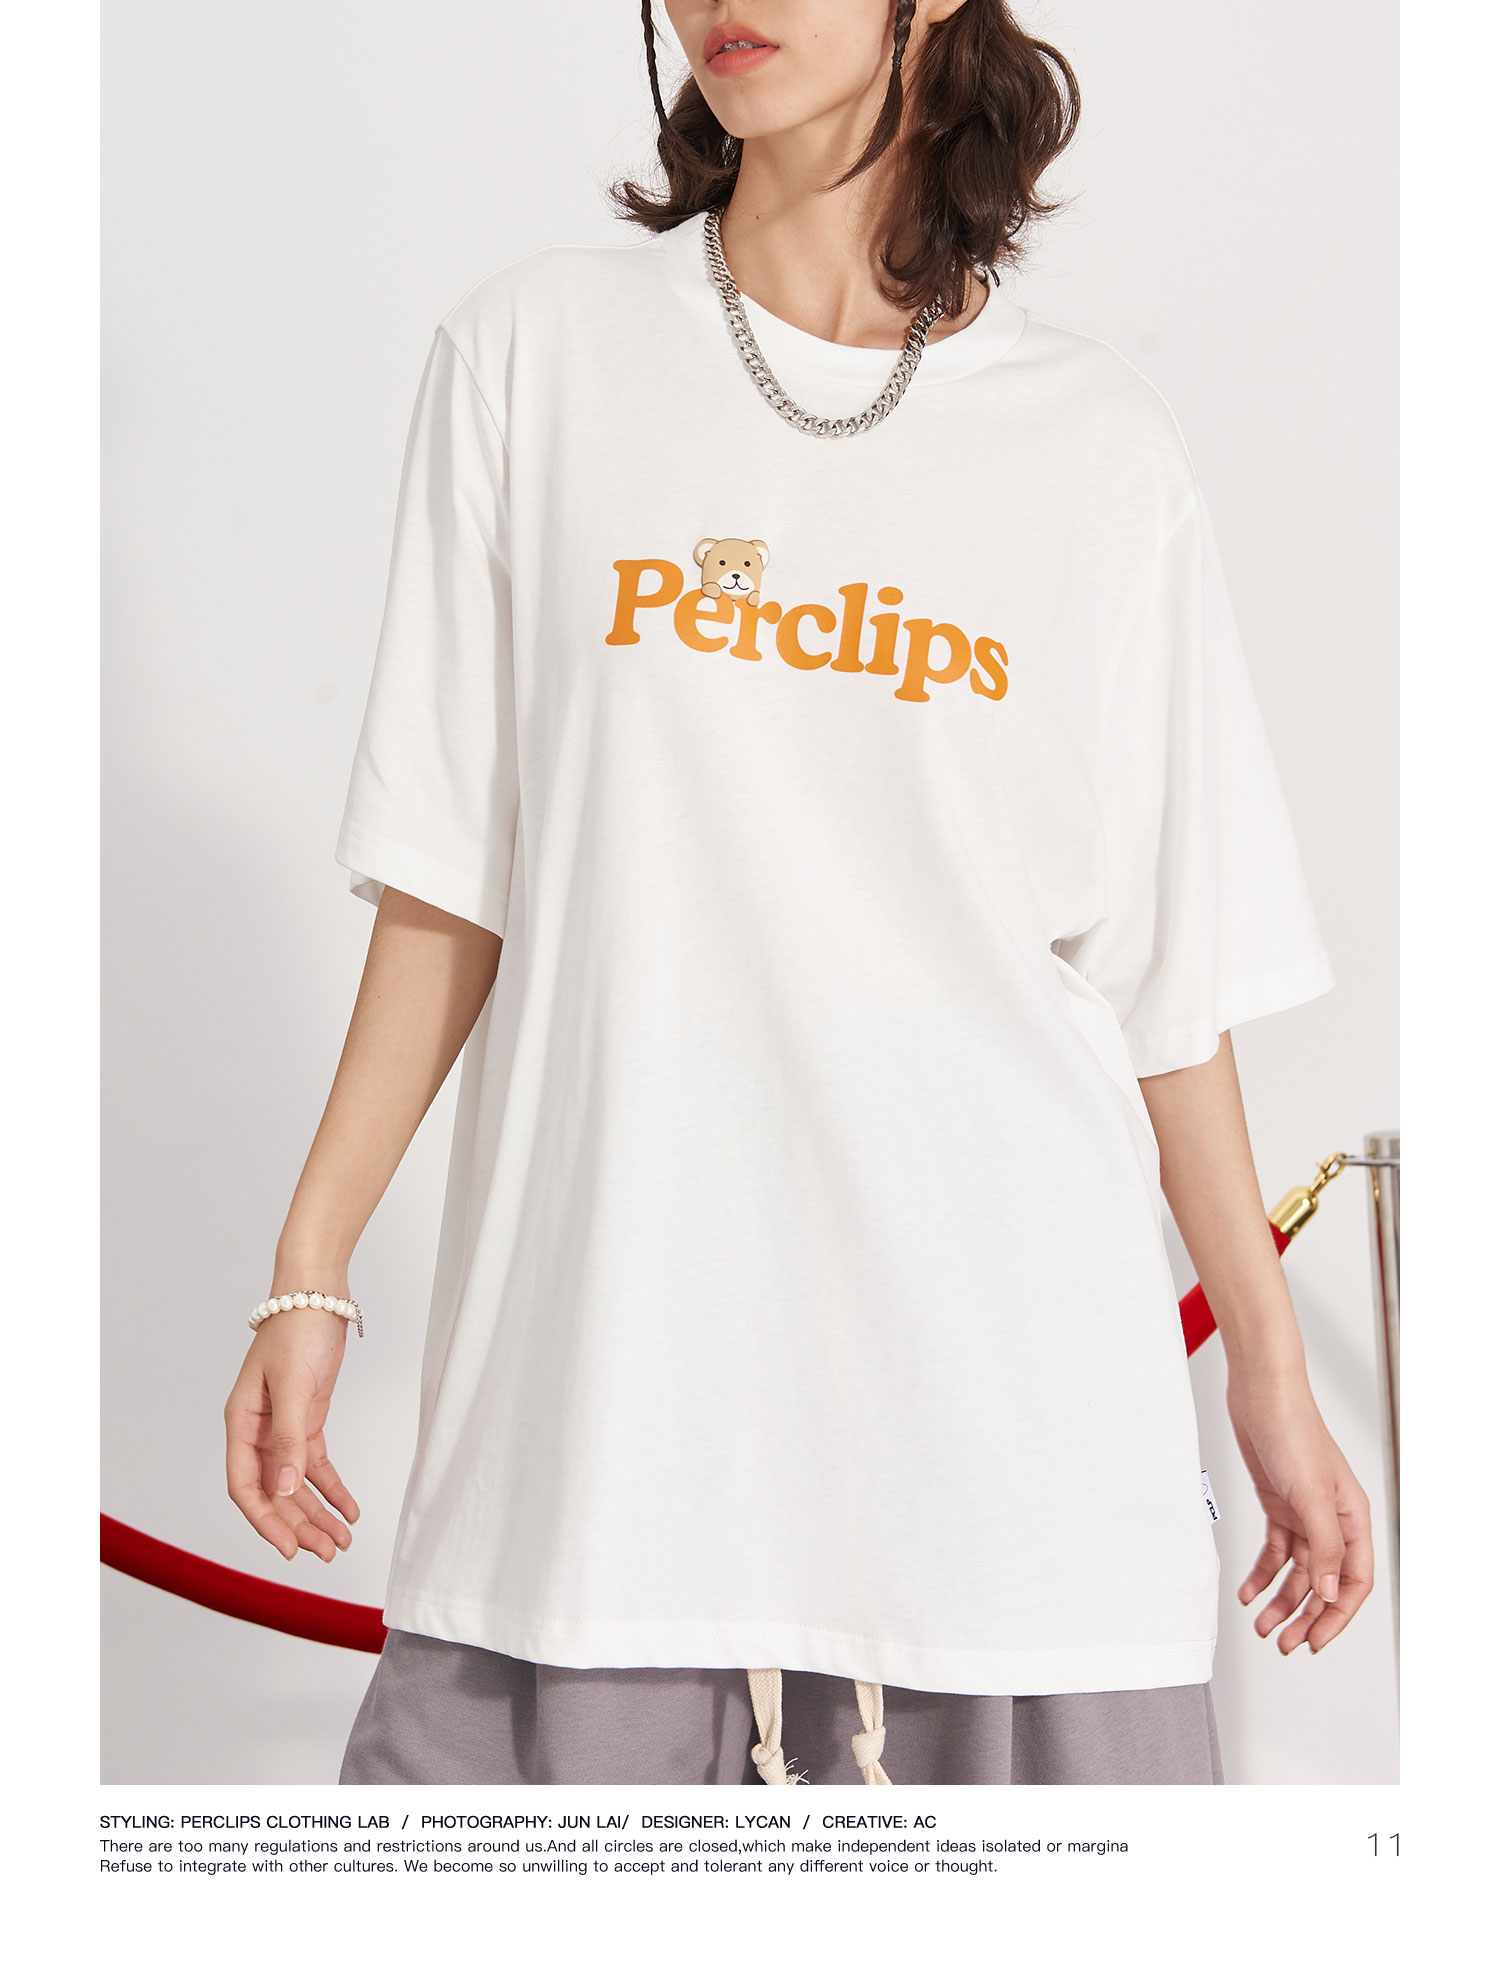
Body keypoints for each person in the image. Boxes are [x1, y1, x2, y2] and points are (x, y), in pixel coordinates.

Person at [223, 0, 1374, 1788]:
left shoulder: (1098, 446)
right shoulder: (535, 355)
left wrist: (1271, 1373)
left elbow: (1159, 979)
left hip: (1012, 1481)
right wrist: (311, 1267)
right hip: (602, 1449)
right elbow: (451, 875)